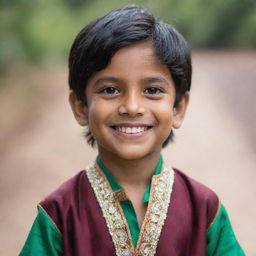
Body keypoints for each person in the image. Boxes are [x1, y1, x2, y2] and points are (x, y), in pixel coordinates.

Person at [19, 5, 245, 256]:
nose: (132, 107)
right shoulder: (60, 214)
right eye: (110, 90)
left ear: (178, 108)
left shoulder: (204, 209)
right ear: (81, 107)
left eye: (152, 90)